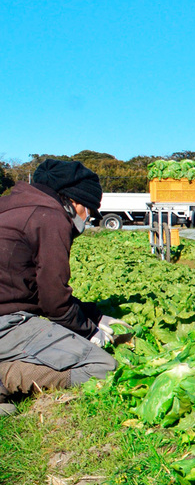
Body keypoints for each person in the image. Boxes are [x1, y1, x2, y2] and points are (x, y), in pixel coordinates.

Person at [0, 159, 123, 416]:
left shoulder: (11, 204)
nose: (87, 218)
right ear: (74, 202)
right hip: (6, 323)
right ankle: (4, 380)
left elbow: (34, 289)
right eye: (88, 210)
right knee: (100, 366)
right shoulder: (50, 215)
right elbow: (54, 303)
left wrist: (95, 315)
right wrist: (91, 333)